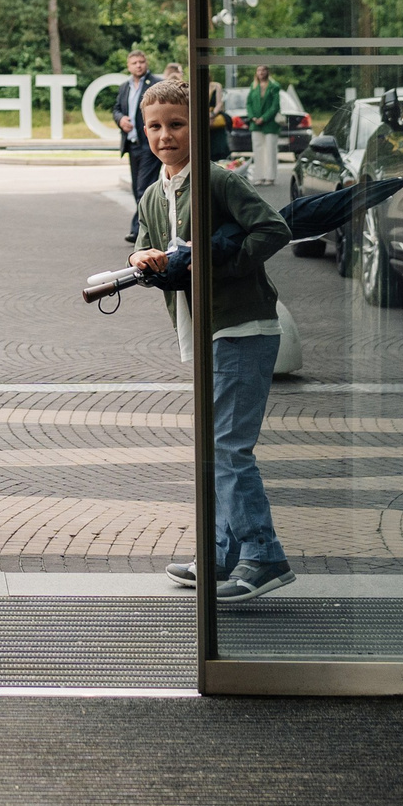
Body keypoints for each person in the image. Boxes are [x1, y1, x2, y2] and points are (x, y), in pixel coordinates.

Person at [126, 79, 295, 602]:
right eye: (155, 126)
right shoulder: (156, 192)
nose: (165, 135)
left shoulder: (217, 181)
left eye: (176, 124)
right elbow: (145, 246)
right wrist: (143, 261)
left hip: (242, 328)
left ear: (196, 126)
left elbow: (272, 230)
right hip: (202, 334)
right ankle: (222, 554)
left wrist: (218, 263)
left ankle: (262, 554)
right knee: (215, 447)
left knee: (227, 447)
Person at [114, 50, 158, 241]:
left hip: (149, 144)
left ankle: (139, 231)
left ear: (146, 63)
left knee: (143, 188)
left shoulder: (155, 84)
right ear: (128, 66)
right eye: (134, 63)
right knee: (137, 189)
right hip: (132, 145)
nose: (138, 65)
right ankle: (146, 228)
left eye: (141, 61)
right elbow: (116, 109)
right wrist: (120, 119)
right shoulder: (125, 87)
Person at [245, 64, 284, 187]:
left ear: (267, 72)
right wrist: (253, 117)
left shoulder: (274, 86)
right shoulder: (253, 86)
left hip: (270, 124)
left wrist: (264, 118)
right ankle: (259, 176)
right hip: (255, 124)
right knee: (258, 150)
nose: (261, 72)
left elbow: (275, 106)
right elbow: (249, 103)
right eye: (259, 70)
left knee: (270, 150)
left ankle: (270, 177)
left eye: (263, 70)